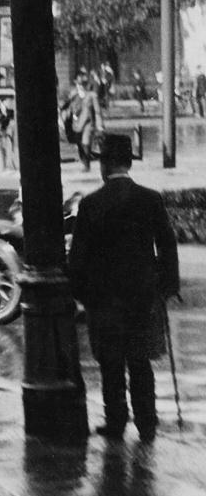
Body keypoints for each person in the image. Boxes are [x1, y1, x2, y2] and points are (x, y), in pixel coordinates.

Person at [68, 133, 179, 442]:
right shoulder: (150, 198)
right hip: (142, 296)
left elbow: (78, 257)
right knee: (140, 361)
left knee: (111, 363)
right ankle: (147, 422)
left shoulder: (91, 203)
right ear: (128, 163)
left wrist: (82, 295)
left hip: (104, 299)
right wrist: (167, 286)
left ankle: (116, 422)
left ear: (104, 165)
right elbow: (167, 244)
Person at [60, 73, 102, 172]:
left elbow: (97, 111)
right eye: (79, 84)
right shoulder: (74, 94)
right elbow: (65, 107)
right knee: (80, 144)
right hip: (76, 124)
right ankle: (85, 161)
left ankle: (87, 165)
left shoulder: (92, 95)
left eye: (83, 84)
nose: (81, 86)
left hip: (88, 123)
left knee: (85, 142)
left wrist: (100, 126)